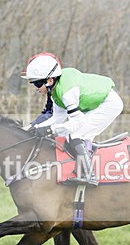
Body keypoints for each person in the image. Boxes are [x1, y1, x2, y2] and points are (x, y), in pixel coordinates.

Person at [22, 52, 123, 186]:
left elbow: (77, 122)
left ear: (50, 80)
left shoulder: (66, 93)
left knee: (76, 134)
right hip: (97, 104)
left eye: (36, 84)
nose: (36, 89)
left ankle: (90, 175)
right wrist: (33, 128)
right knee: (67, 133)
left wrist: (50, 130)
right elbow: (58, 118)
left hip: (109, 104)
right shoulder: (56, 90)